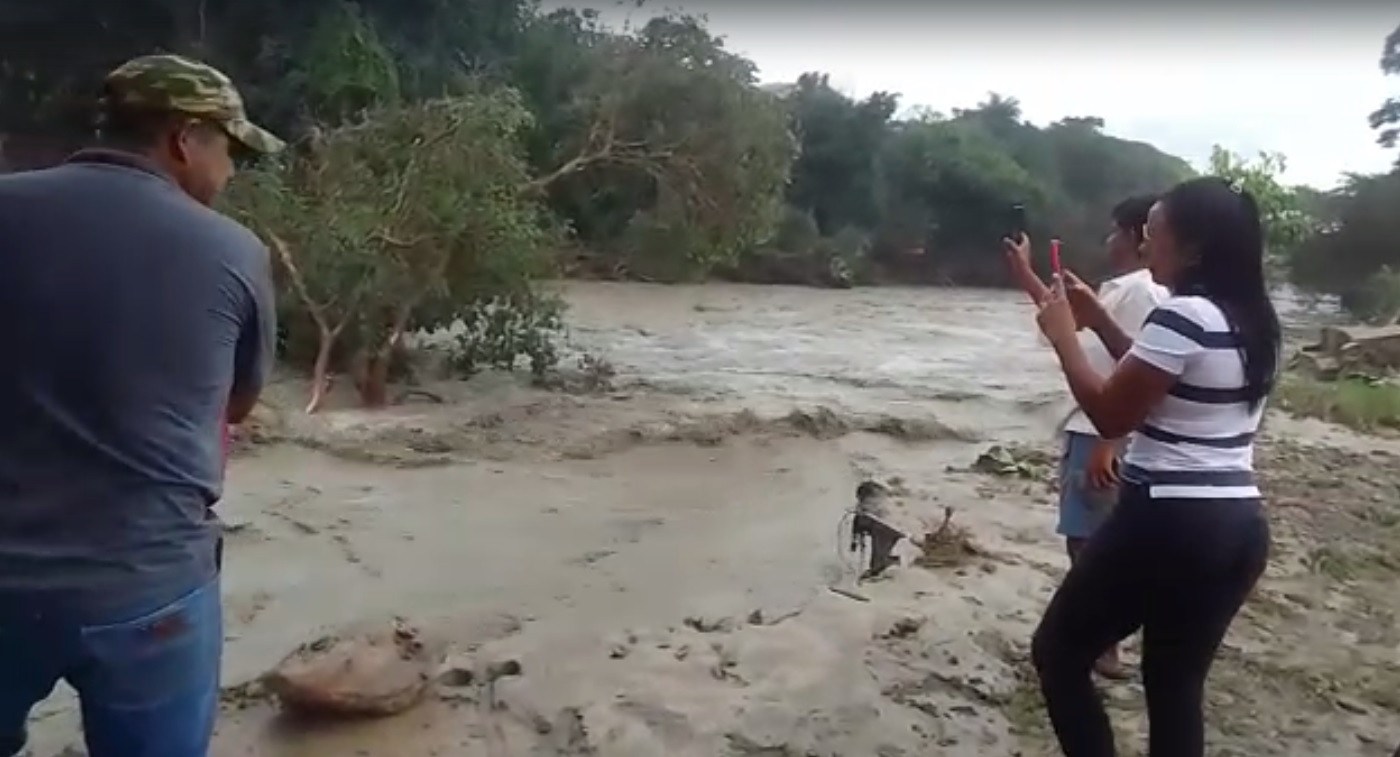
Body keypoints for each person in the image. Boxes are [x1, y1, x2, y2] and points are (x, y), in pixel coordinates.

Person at [0, 54, 282, 756]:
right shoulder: (233, 251)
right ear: (185, 138)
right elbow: (239, 403)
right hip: (147, 587)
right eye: (230, 148)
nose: (232, 170)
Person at [1028, 176, 1276, 756]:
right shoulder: (1247, 319)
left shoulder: (1181, 314)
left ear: (1193, 248)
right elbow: (1163, 389)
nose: (1143, 246)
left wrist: (1066, 338)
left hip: (1168, 522)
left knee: (1059, 652)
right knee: (1174, 686)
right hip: (1238, 528)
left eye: (1155, 233)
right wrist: (1100, 321)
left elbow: (1113, 415)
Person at [1004, 196, 1169, 679]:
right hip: (1089, 425)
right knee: (1084, 537)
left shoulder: (1142, 295)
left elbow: (1139, 372)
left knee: (1091, 541)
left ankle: (1103, 643)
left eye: (1115, 231)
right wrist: (1026, 273)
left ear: (1141, 238)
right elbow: (1065, 326)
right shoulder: (1123, 290)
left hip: (1100, 430)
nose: (1107, 240)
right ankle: (1099, 637)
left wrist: (1109, 441)